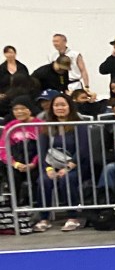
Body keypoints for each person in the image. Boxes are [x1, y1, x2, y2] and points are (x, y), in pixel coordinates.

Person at [35, 93, 90, 232]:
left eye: (63, 105)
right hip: (52, 165)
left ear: (70, 107)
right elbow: (42, 151)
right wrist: (48, 169)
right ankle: (44, 219)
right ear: (52, 108)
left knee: (67, 179)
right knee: (43, 180)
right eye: (56, 105)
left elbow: (83, 150)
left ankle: (72, 217)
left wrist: (68, 168)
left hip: (76, 165)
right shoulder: (46, 126)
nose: (60, 108)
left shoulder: (79, 125)